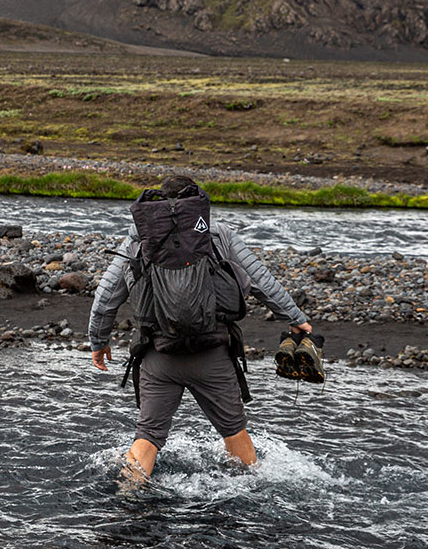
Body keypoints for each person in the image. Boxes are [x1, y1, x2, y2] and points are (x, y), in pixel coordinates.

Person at [88, 175, 313, 482]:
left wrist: (98, 341)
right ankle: (252, 497)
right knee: (234, 431)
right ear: (196, 205)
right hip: (213, 356)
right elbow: (261, 281)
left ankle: (128, 501)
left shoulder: (138, 240)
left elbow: (105, 299)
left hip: (158, 358)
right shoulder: (218, 236)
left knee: (148, 436)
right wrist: (295, 317)